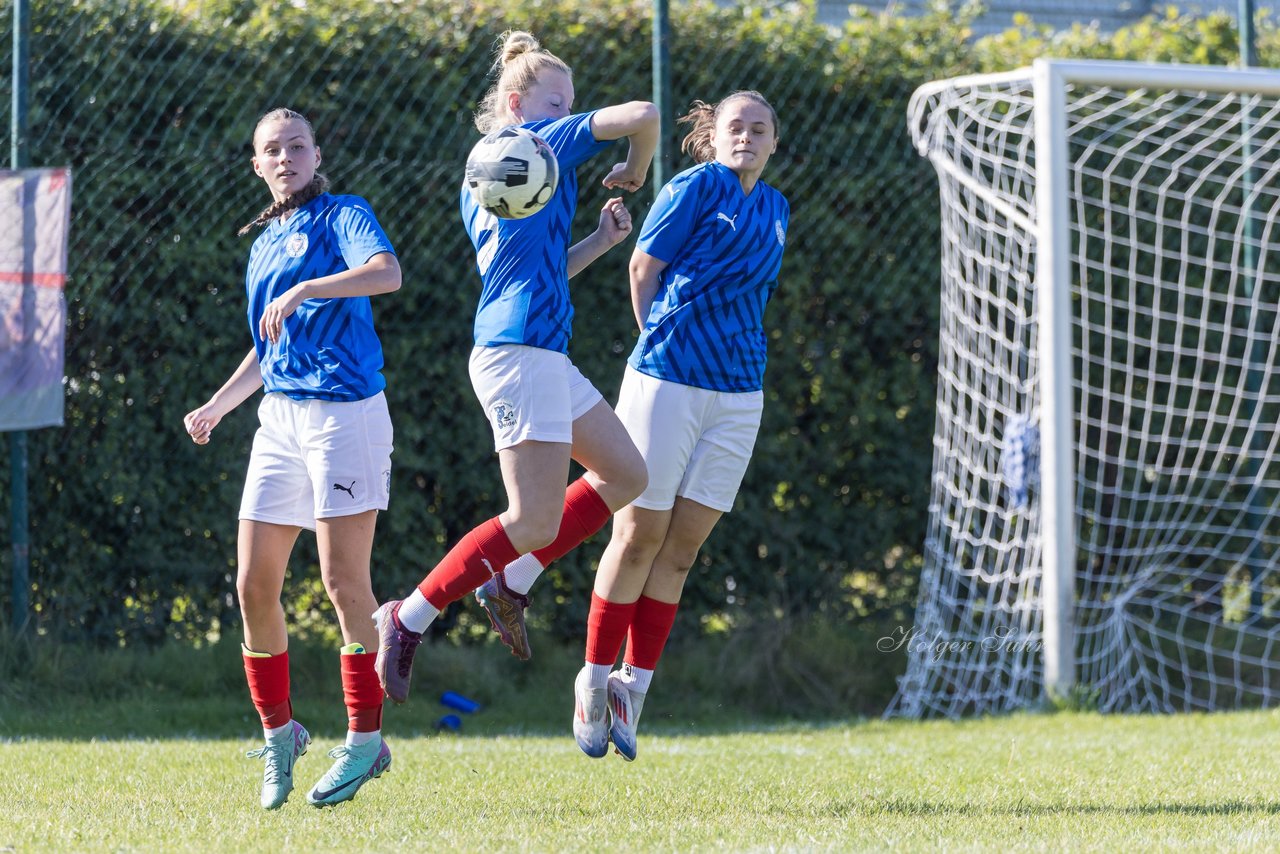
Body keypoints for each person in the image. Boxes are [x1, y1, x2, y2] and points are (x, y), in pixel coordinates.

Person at [372, 31, 656, 736]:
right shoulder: (538, 142)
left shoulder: (490, 177)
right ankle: (407, 618)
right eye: (557, 100)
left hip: (538, 352)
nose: (569, 111)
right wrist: (633, 166)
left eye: (569, 104)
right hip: (517, 354)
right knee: (532, 520)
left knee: (625, 475)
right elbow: (646, 114)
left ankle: (514, 580)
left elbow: (538, 272)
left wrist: (600, 243)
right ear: (515, 103)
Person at [184, 107, 400, 809]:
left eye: (296, 146)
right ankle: (281, 734)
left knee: (343, 582)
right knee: (253, 584)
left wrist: (312, 286)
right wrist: (220, 403)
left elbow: (385, 272)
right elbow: (269, 341)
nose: (285, 157)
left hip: (346, 414)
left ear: (315, 154)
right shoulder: (264, 239)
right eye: (271, 149)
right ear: (257, 164)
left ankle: (365, 741)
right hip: (278, 418)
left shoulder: (343, 214)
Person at [588, 90, 789, 760]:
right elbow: (643, 268)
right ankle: (591, 680)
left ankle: (632, 690)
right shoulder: (694, 185)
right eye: (736, 126)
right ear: (715, 135)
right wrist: (659, 344)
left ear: (773, 141)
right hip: (667, 381)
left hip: (738, 396)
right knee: (639, 533)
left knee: (682, 549)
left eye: (759, 129)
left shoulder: (776, 207)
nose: (747, 137)